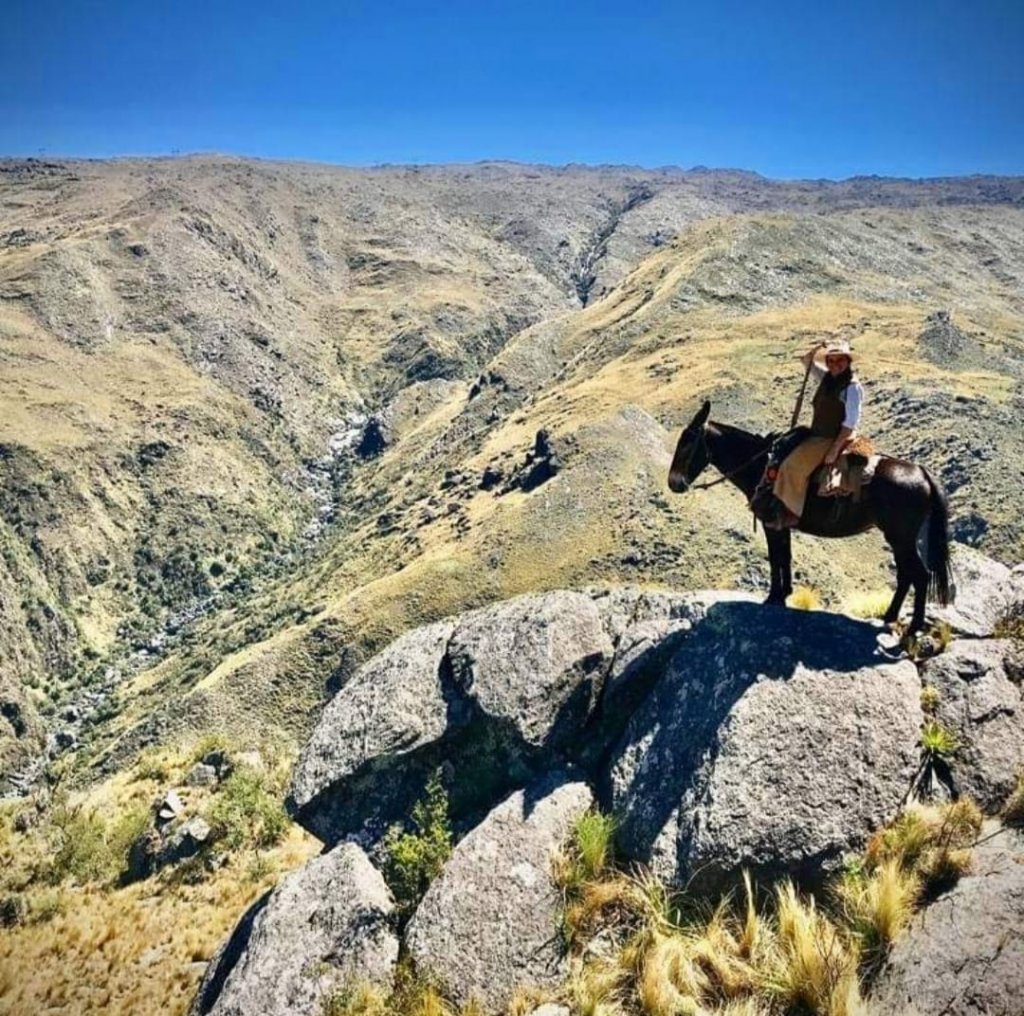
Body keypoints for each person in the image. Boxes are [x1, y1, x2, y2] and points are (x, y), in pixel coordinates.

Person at [771, 339, 864, 527]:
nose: (835, 365)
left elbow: (850, 424)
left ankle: (792, 513)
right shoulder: (827, 377)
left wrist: (834, 449)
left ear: (848, 362)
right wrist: (816, 348)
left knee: (791, 466)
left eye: (840, 361)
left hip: (833, 437)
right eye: (831, 360)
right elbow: (806, 361)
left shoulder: (852, 388)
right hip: (818, 434)